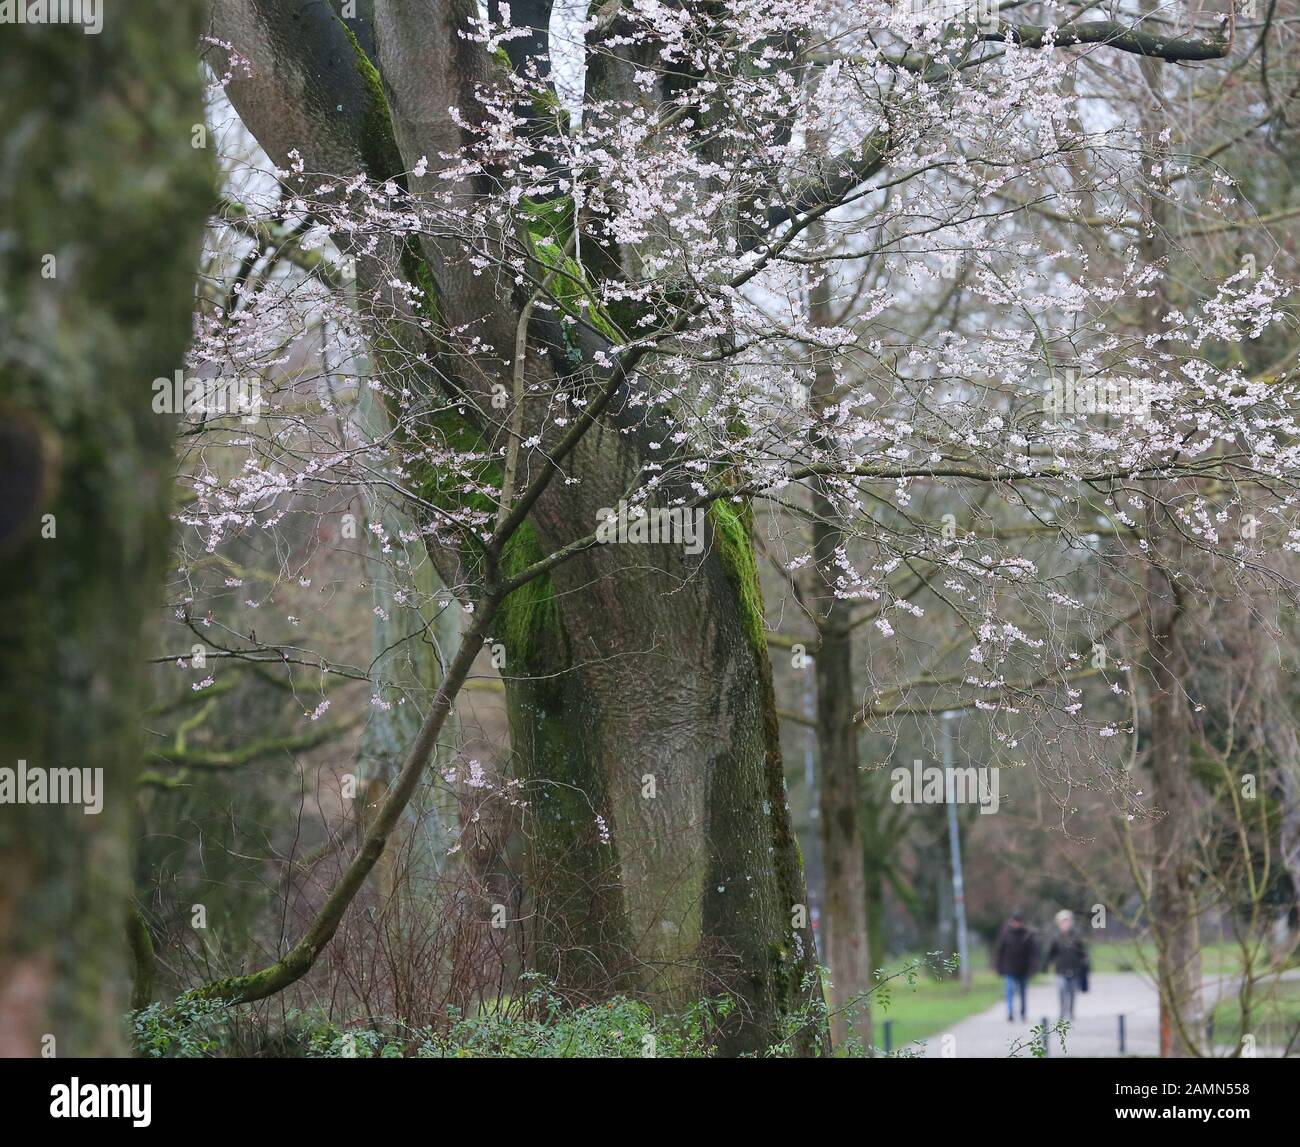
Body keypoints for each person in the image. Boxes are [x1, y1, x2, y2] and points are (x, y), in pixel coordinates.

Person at [1044, 909, 1089, 1022]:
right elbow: (1051, 953)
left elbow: (1082, 952)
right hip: (1061, 969)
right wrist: (1047, 964)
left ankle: (1071, 1012)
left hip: (1074, 969)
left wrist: (1084, 963)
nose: (1065, 924)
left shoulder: (1076, 936)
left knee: (1072, 992)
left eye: (1067, 921)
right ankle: (1062, 1012)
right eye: (1063, 922)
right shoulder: (1055, 937)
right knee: (1062, 991)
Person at [994, 910, 1038, 1021]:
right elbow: (1000, 951)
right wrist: (999, 967)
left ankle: (1023, 1012)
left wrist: (1032, 968)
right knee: (1009, 990)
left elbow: (1033, 953)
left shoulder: (1027, 934)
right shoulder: (1005, 933)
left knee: (1022, 992)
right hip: (1009, 968)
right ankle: (1010, 1013)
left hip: (1023, 968)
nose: (1016, 924)